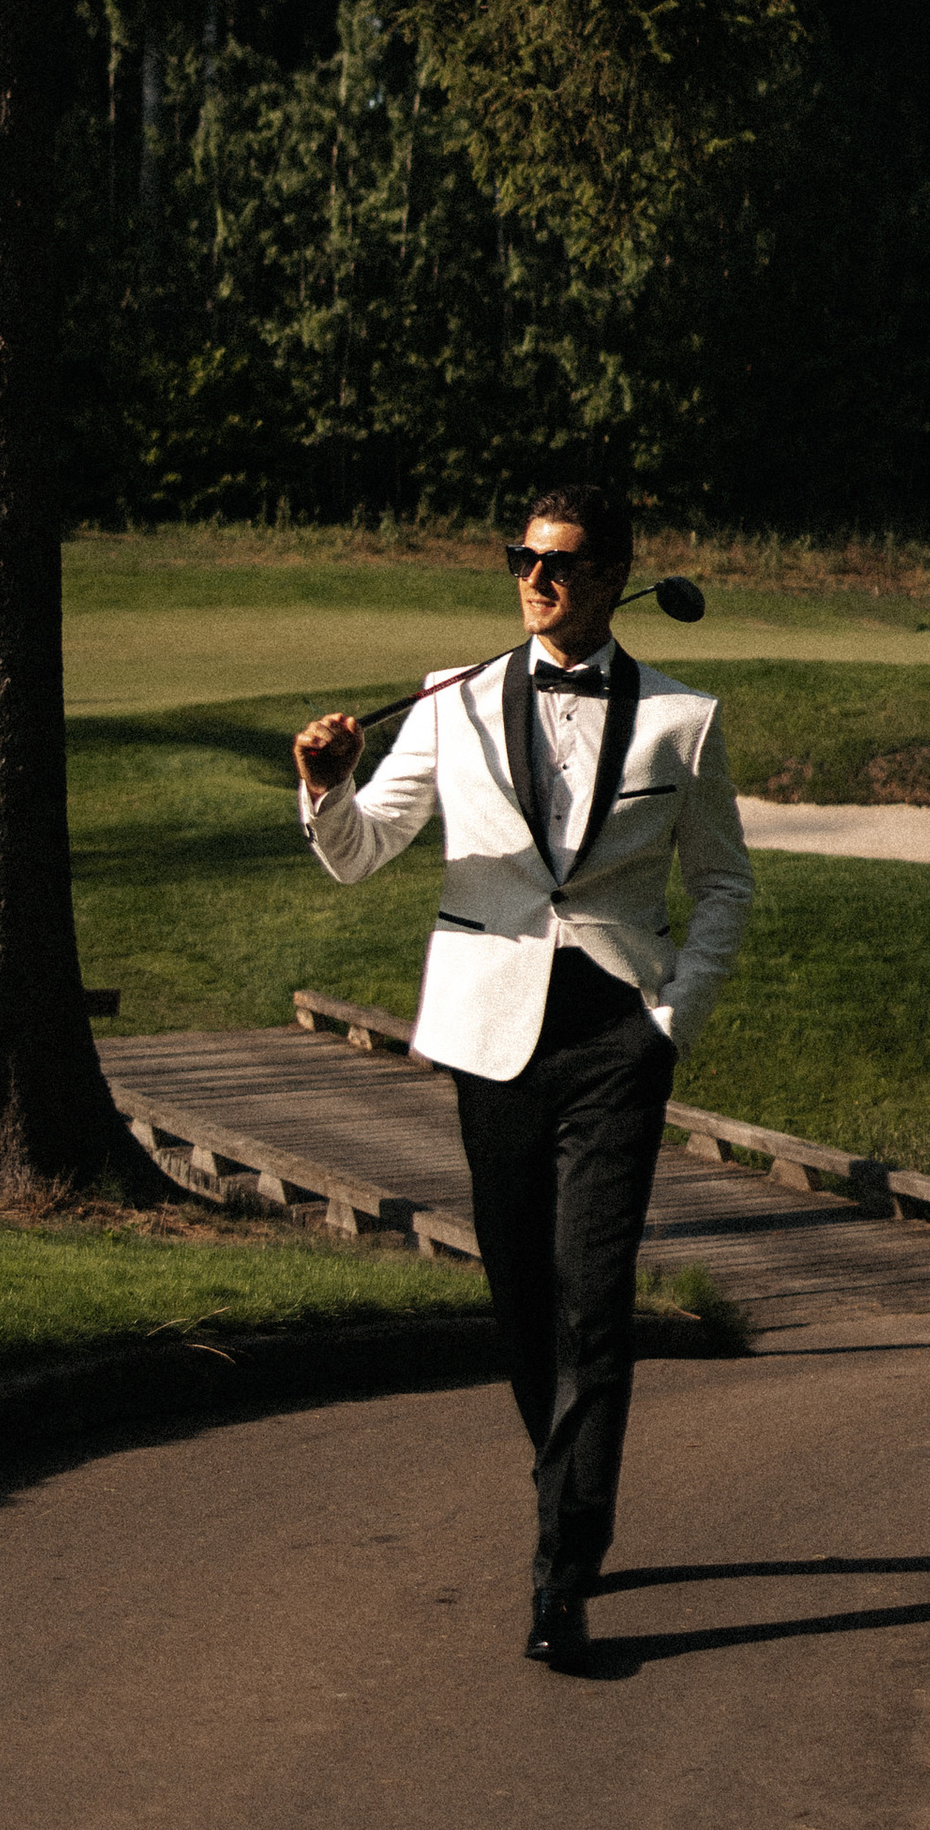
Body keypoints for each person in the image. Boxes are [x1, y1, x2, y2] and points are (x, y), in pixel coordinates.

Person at [292, 482, 754, 1671]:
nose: (537, 581)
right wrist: (326, 783)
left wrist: (669, 1023)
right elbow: (356, 858)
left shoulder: (679, 719)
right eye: (522, 560)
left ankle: (562, 1574)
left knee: (593, 1299)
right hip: (488, 1037)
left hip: (615, 1037)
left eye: (561, 564)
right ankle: (567, 1490)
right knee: (520, 1301)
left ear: (613, 580)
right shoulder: (447, 703)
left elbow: (723, 889)